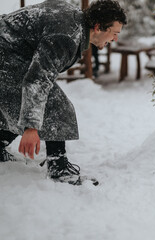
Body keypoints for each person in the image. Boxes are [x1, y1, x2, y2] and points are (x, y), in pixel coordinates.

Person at [0, 0, 127, 185]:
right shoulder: (67, 35)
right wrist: (31, 127)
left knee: (23, 101)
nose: (115, 39)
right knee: (57, 106)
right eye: (114, 33)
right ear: (99, 27)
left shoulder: (74, 20)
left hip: (8, 51)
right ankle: (59, 168)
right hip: (5, 55)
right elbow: (38, 79)